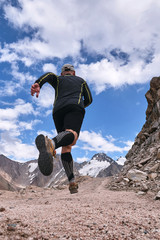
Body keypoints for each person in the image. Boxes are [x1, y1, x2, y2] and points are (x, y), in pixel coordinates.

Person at [31, 64, 92, 194]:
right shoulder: (81, 81)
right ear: (74, 73)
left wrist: (38, 84)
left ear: (63, 73)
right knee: (72, 136)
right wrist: (80, 104)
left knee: (66, 144)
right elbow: (89, 99)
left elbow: (49, 75)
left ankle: (72, 183)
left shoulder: (58, 79)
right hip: (74, 107)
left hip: (57, 111)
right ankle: (51, 143)